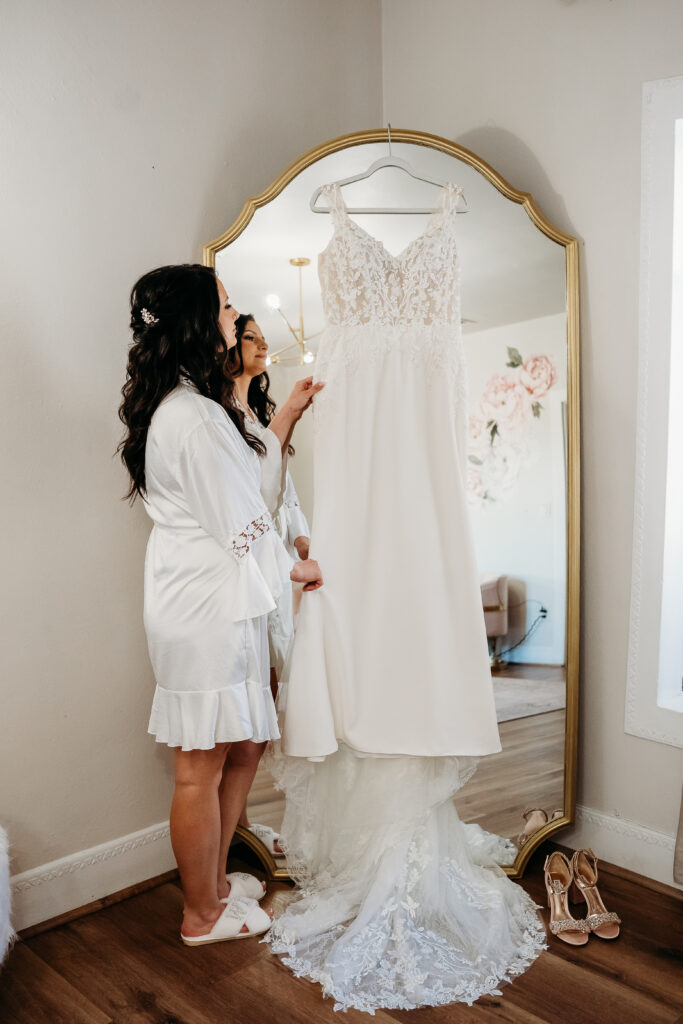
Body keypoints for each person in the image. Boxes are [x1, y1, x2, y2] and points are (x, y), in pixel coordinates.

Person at [117, 264, 323, 946]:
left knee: (235, 746)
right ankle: (201, 913)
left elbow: (247, 497)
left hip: (201, 597)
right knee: (198, 765)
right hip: (206, 606)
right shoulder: (194, 419)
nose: (236, 319)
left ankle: (213, 889)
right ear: (196, 322)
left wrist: (284, 417)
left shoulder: (182, 409)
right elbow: (245, 525)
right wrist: (299, 568)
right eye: (227, 307)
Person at [228, 313, 312, 857]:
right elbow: (251, 500)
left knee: (270, 698)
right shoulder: (216, 414)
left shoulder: (250, 415)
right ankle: (234, 826)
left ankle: (238, 821)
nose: (262, 345)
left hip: (275, 555)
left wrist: (302, 542)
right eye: (250, 335)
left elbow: (283, 488)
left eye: (261, 336)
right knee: (247, 712)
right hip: (250, 565)